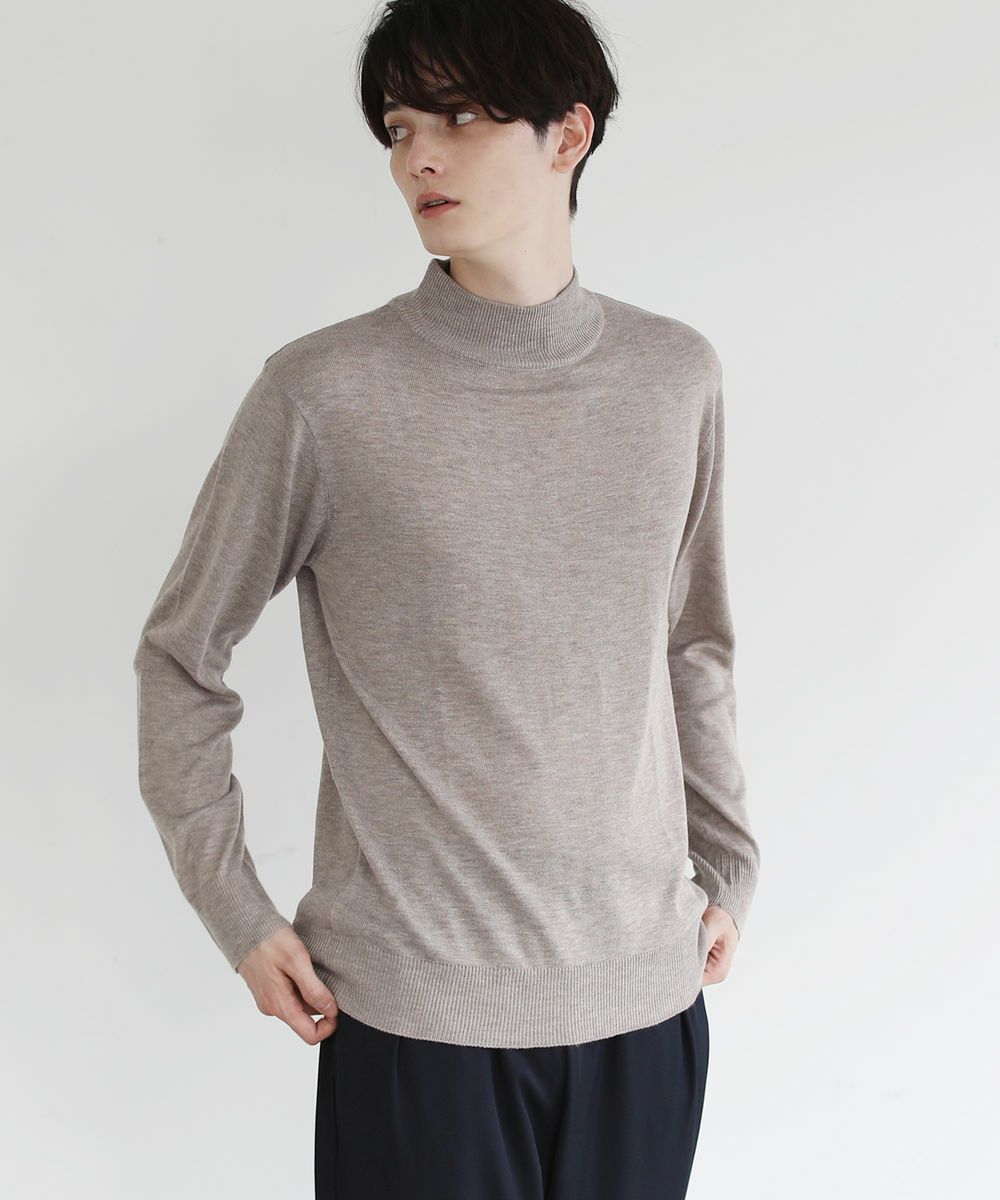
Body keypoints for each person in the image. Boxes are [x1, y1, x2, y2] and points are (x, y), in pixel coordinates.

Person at [132, 1, 761, 1196]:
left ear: (568, 134)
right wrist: (237, 912)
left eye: (460, 116)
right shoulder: (325, 394)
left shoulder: (673, 377)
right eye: (398, 125)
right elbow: (180, 657)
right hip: (415, 1022)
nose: (416, 156)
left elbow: (693, 645)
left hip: (646, 1002)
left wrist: (726, 864)